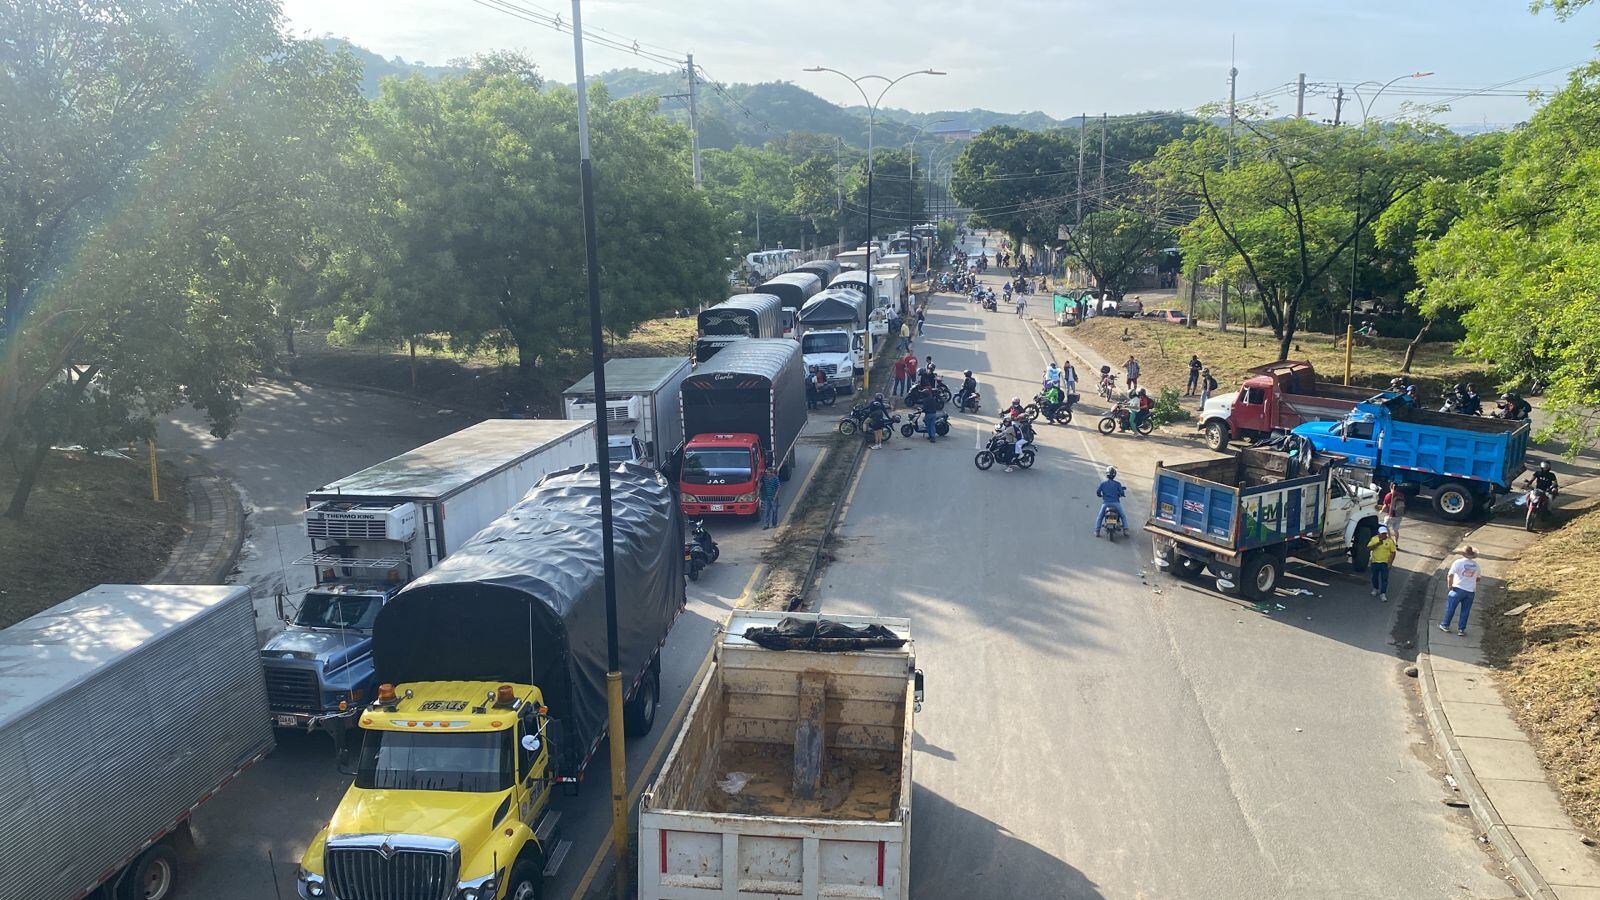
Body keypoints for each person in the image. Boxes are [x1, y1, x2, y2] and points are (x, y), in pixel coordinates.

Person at [1440, 546, 1481, 636]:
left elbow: (1450, 575)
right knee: (1465, 611)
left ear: (1462, 554)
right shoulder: (1476, 565)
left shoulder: (1458, 563)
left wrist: (1449, 586)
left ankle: (1445, 625)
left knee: (1451, 608)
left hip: (1457, 589)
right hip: (1470, 591)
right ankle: (1461, 629)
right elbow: (1478, 579)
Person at [1367, 524, 1398, 602]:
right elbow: (1369, 548)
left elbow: (1393, 552)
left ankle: (1383, 593)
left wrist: (1390, 563)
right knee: (1374, 577)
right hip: (1375, 562)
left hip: (1385, 563)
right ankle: (1375, 589)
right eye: (1382, 533)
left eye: (1385, 533)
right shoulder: (1374, 539)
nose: (1384, 535)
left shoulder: (1390, 541)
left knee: (1384, 579)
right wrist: (1377, 544)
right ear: (1378, 533)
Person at [1095, 466, 1126, 536]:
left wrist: (1100, 495)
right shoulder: (1118, 484)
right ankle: (1126, 529)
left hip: (1105, 503)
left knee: (1100, 516)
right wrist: (1121, 494)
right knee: (1123, 516)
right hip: (1116, 503)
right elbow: (1121, 492)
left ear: (1107, 474)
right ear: (1114, 475)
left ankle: (1097, 530)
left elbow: (1098, 492)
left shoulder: (1103, 484)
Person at [759, 462, 782, 529]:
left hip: (773, 498)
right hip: (766, 498)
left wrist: (775, 496)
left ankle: (774, 524)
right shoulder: (764, 478)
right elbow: (760, 484)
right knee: (766, 511)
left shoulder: (775, 478)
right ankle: (766, 524)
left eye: (768, 472)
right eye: (767, 472)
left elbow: (778, 487)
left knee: (774, 511)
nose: (767, 473)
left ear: (771, 473)